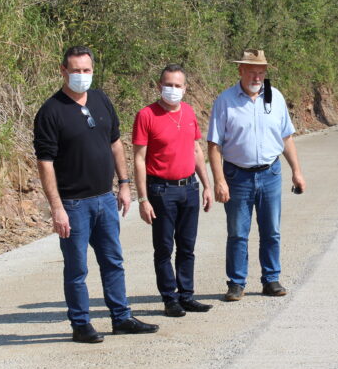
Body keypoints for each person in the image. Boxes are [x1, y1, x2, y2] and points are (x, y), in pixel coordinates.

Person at [33, 45, 158, 343]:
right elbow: (45, 163)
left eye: (86, 70)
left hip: (105, 198)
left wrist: (124, 184)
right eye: (75, 70)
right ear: (63, 71)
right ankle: (80, 323)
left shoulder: (101, 99)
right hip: (74, 205)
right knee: (77, 268)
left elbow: (115, 143)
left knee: (113, 261)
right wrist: (57, 208)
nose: (81, 76)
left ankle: (121, 316)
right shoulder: (51, 112)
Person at [207, 49, 306, 301]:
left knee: (271, 230)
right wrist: (219, 180)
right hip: (237, 176)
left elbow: (286, 137)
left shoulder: (276, 98)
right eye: (252, 71)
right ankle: (236, 283)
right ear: (240, 70)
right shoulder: (225, 100)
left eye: (261, 72)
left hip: (270, 173)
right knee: (238, 232)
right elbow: (214, 145)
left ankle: (271, 279)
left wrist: (296, 171)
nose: (257, 76)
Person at [132, 64, 214, 317]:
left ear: (185, 89)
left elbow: (196, 149)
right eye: (168, 85)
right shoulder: (146, 115)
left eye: (178, 86)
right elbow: (138, 158)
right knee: (164, 247)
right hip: (161, 190)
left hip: (189, 187)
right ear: (159, 86)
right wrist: (143, 198)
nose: (172, 90)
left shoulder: (188, 112)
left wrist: (207, 186)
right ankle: (170, 298)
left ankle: (187, 295)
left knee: (187, 246)